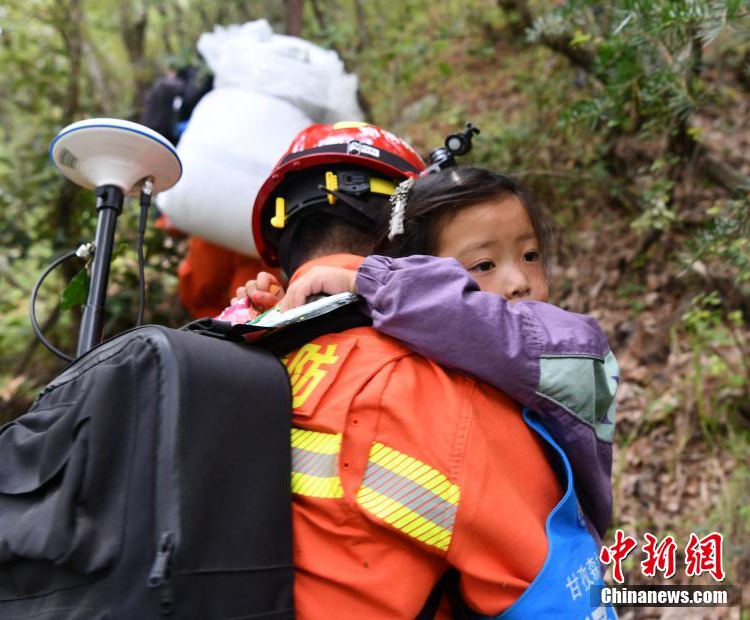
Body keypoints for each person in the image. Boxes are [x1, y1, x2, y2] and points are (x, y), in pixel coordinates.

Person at [250, 122, 614, 618]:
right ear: (413, 260)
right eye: (480, 266)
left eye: (531, 256)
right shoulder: (446, 396)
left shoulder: (242, 351)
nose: (517, 283)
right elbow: (558, 600)